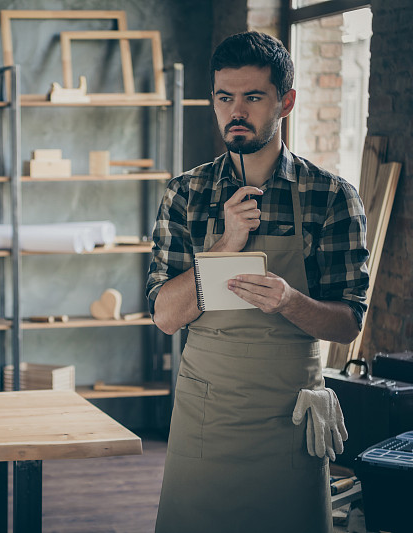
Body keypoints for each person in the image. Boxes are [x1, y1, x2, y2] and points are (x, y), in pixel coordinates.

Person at [146, 31, 369, 533]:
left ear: (285, 102)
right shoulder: (186, 193)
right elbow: (164, 316)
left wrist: (291, 301)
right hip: (207, 415)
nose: (236, 112)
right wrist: (224, 246)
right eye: (225, 98)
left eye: (253, 97)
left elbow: (347, 324)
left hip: (288, 418)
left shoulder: (330, 197)